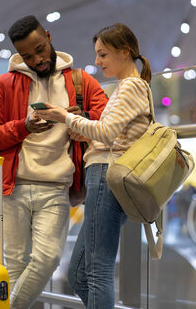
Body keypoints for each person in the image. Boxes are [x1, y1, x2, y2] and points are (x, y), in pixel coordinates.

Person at [0, 15, 108, 309]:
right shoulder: (3, 84)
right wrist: (23, 126)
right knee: (13, 267)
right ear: (18, 55)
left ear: (48, 36)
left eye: (40, 49)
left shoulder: (81, 81)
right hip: (12, 188)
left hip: (57, 187)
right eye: (28, 55)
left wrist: (78, 118)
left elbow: (108, 120)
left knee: (48, 259)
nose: (37, 59)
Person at [35, 23, 152, 308]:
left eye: (103, 54)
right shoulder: (128, 87)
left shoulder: (132, 86)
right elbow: (109, 131)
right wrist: (84, 128)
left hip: (107, 176)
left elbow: (107, 133)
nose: (97, 62)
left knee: (97, 271)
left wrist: (65, 117)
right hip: (102, 177)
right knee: (77, 273)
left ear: (124, 53)